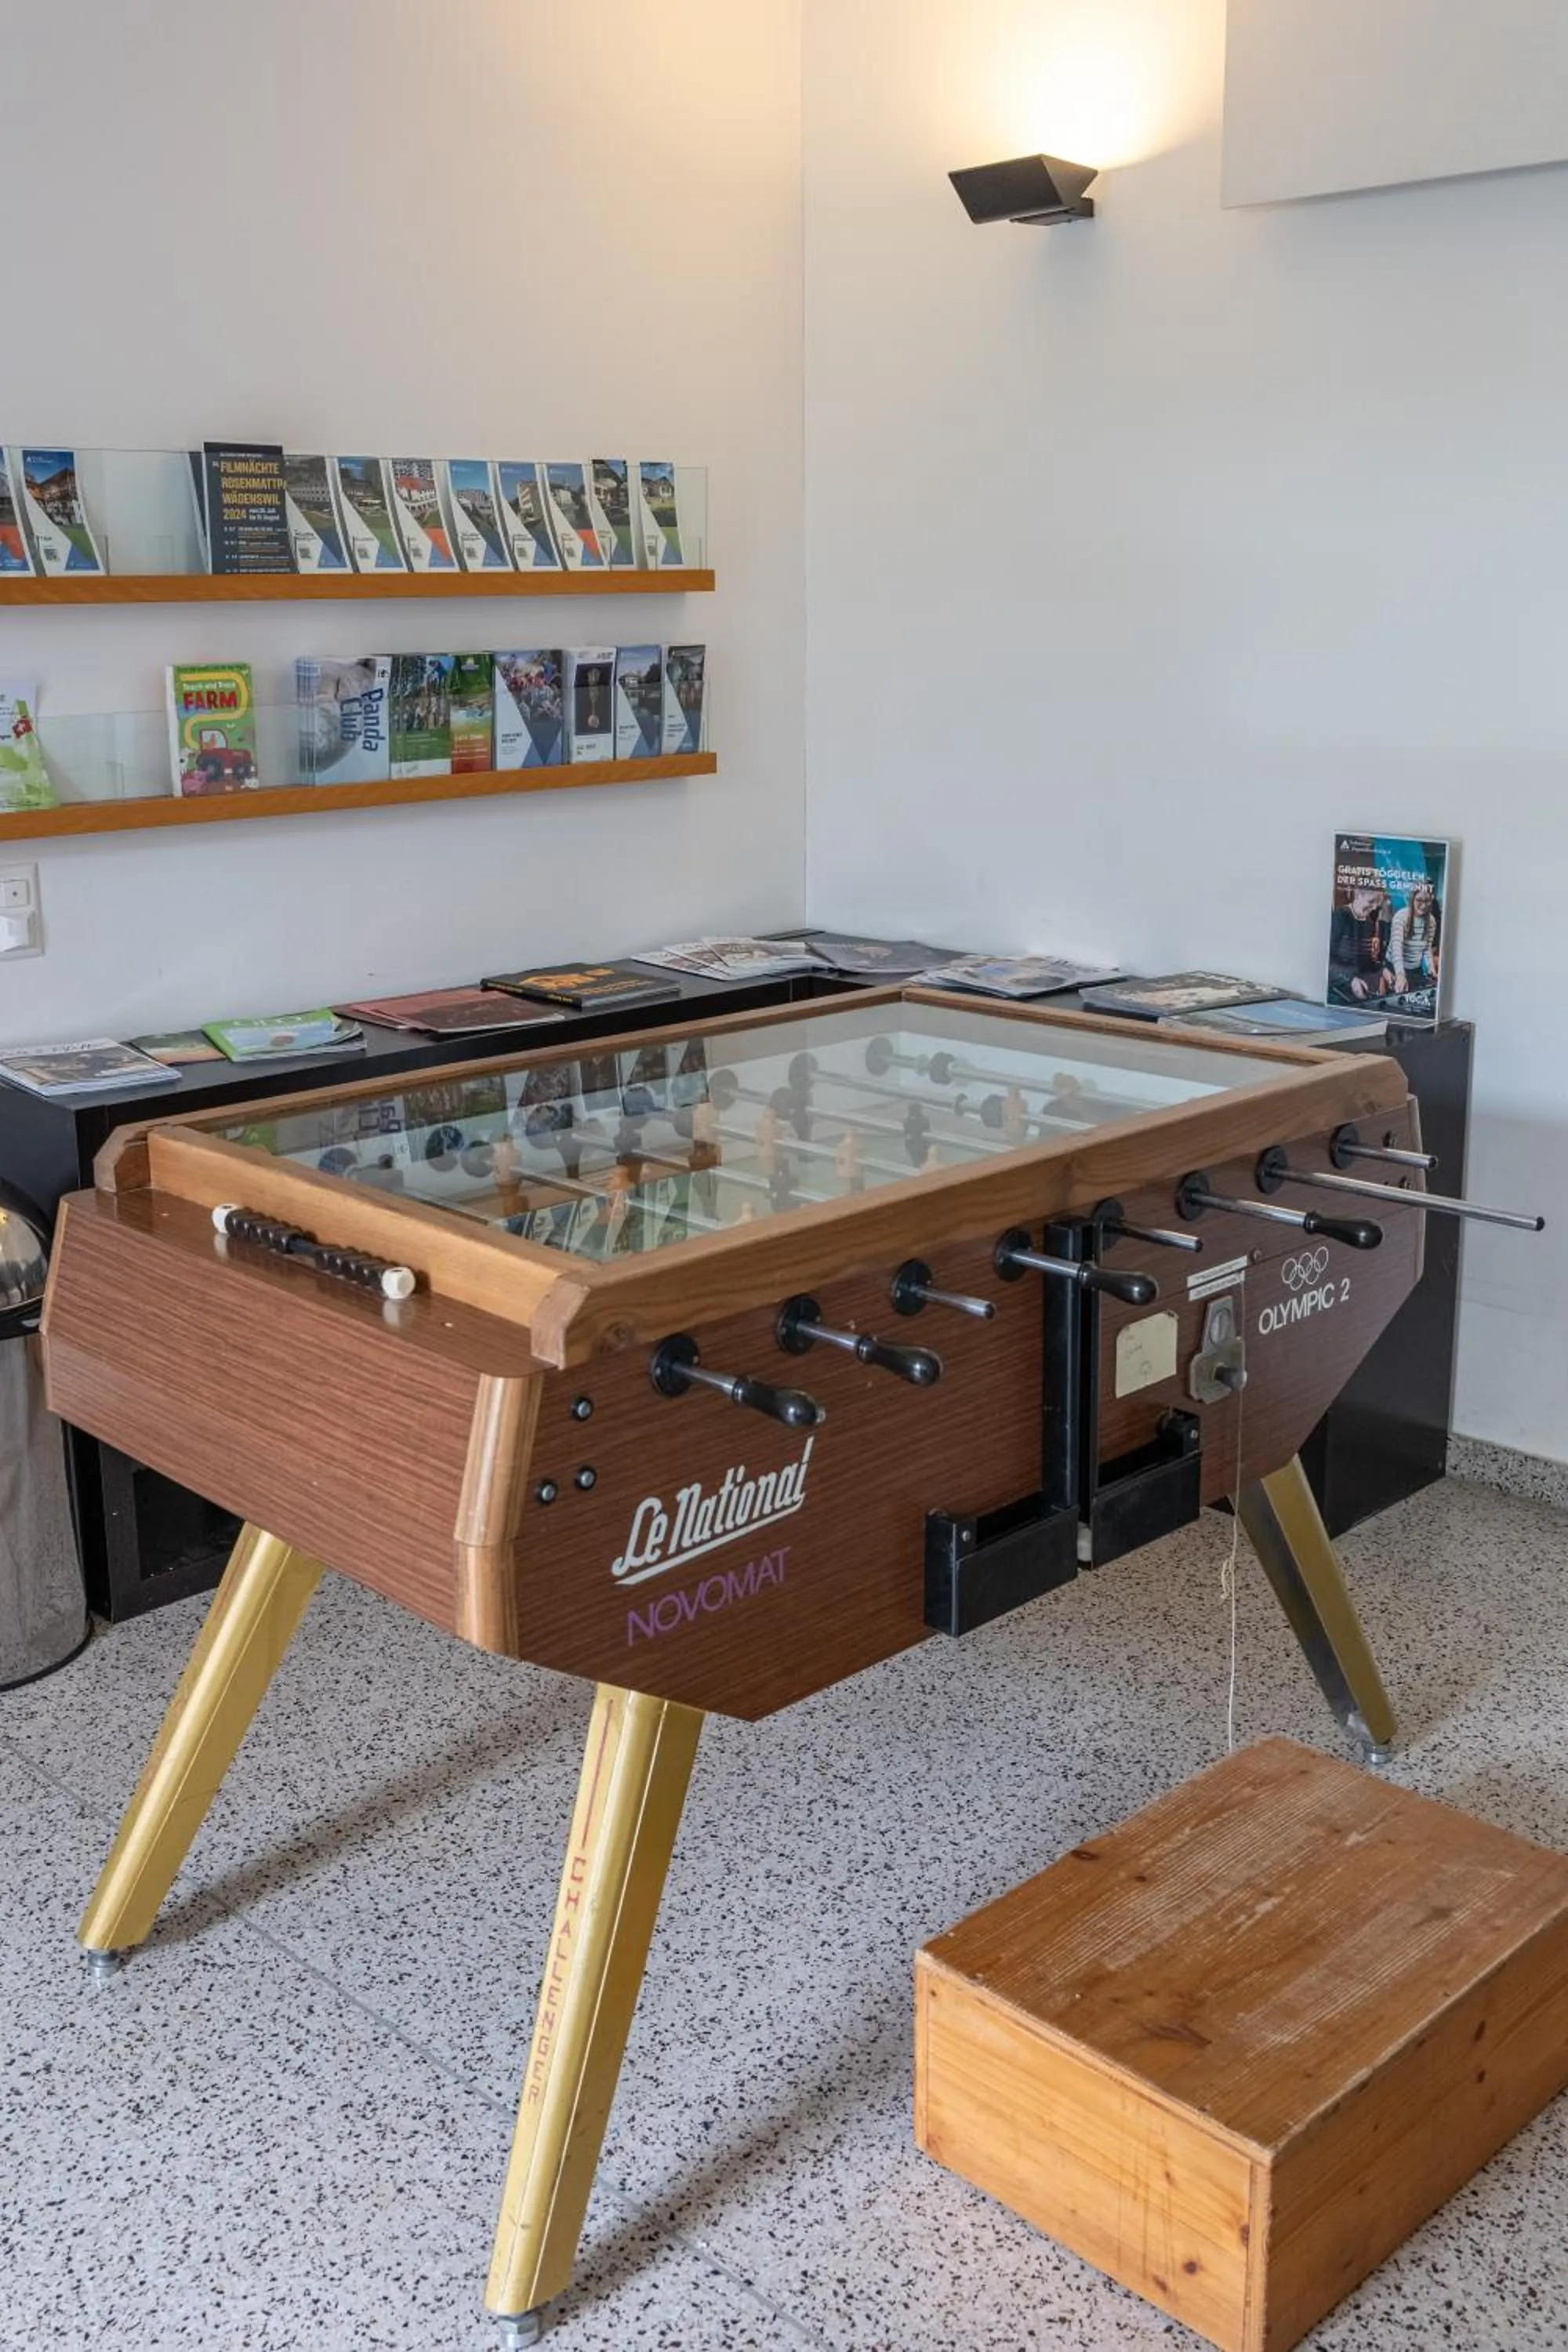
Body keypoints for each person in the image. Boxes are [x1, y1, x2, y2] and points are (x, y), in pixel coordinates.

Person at [1328, 886, 1388, 1002]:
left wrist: (1383, 970)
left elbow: (1366, 963)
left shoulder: (1369, 923)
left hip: (1358, 987)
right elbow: (1325, 962)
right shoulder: (1339, 916)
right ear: (1358, 895)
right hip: (1336, 990)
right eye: (1371, 901)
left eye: (1378, 904)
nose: (1375, 907)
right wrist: (1350, 980)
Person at [1388, 880, 1439, 996]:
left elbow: (1427, 949)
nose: (1424, 905)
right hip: (1394, 967)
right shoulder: (1400, 917)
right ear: (1412, 899)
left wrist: (1432, 971)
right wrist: (1400, 974)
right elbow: (1397, 948)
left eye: (1427, 901)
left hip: (1415, 970)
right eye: (1419, 900)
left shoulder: (1431, 921)